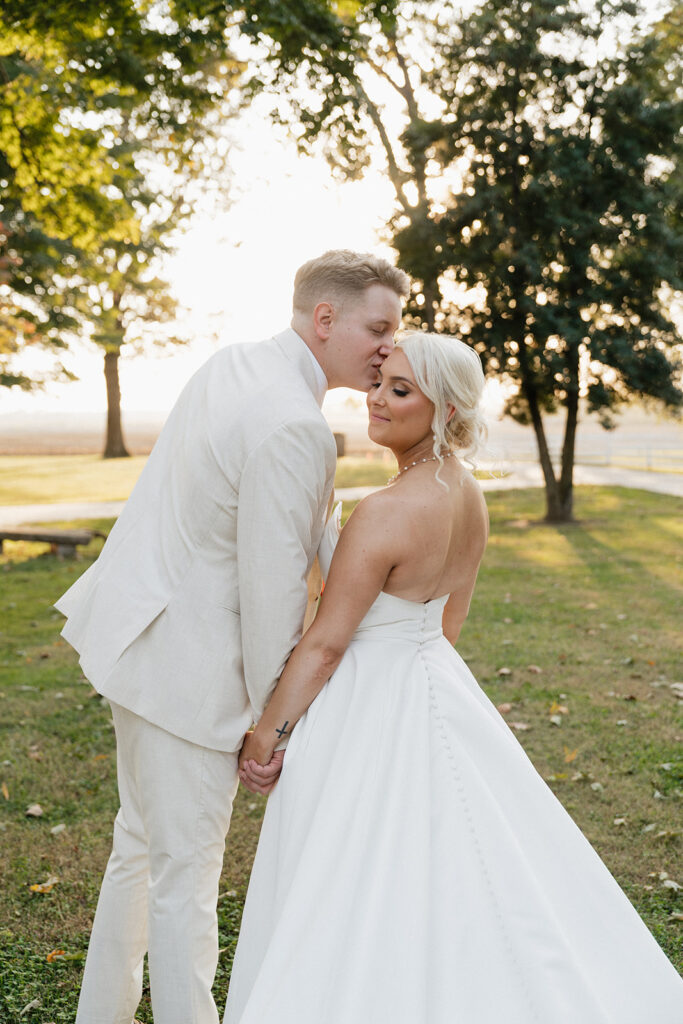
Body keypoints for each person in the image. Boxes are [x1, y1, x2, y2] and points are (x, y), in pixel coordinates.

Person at [225, 333, 683, 1024]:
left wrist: (267, 735)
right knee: (459, 855)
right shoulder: (468, 496)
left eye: (401, 390)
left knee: (356, 868)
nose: (377, 398)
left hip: (367, 698)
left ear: (444, 410)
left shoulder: (385, 511)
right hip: (436, 682)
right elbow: (445, 627)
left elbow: (323, 643)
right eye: (380, 382)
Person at [54, 249, 409, 1024]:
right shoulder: (294, 427)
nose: (389, 346)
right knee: (184, 872)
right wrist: (268, 722)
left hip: (138, 640)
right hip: (189, 675)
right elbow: (269, 594)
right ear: (324, 318)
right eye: (377, 327)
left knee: (139, 847)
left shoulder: (235, 366)